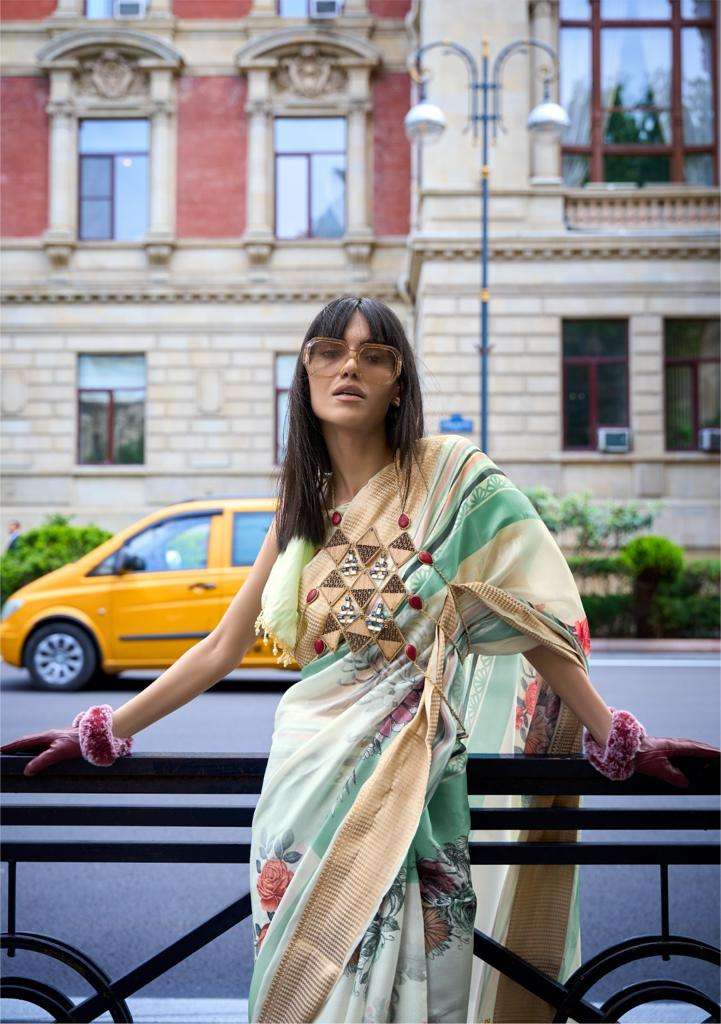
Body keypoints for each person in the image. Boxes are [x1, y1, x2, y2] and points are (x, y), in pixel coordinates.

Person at [1, 295, 718, 1024]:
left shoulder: (452, 481)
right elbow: (221, 648)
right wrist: (102, 731)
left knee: (414, 986)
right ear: (305, 375)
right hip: (302, 787)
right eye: (330, 351)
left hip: (415, 780)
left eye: (374, 355)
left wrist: (613, 734)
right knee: (305, 991)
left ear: (398, 384)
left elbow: (531, 619)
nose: (350, 367)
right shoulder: (299, 513)